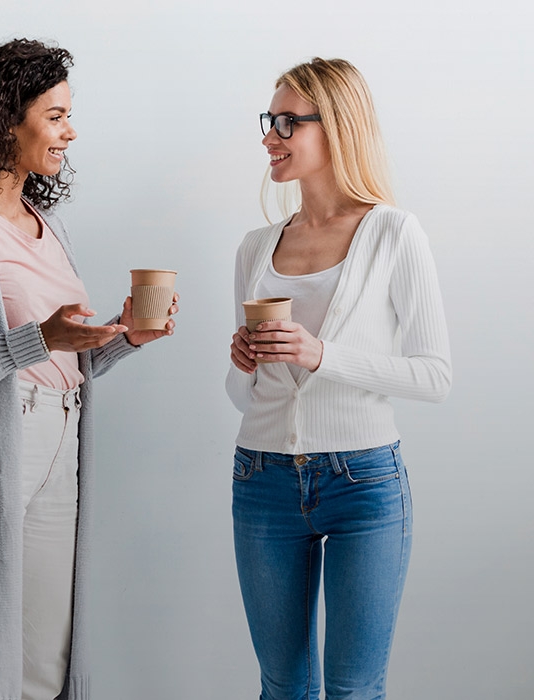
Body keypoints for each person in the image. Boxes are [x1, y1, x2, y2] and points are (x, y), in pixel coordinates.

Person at [0, 38, 175, 700]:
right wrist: (33, 339)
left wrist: (124, 338)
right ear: (5, 119)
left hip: (62, 442)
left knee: (46, 654)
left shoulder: (52, 228)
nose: (69, 132)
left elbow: (60, 358)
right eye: (55, 116)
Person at [226, 57, 452, 700]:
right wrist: (244, 364)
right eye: (268, 120)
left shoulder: (393, 232)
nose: (270, 134)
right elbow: (243, 395)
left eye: (287, 121)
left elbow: (434, 375)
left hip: (364, 484)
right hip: (261, 477)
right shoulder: (254, 247)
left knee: (354, 688)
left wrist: (321, 354)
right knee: (283, 686)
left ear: (339, 127)